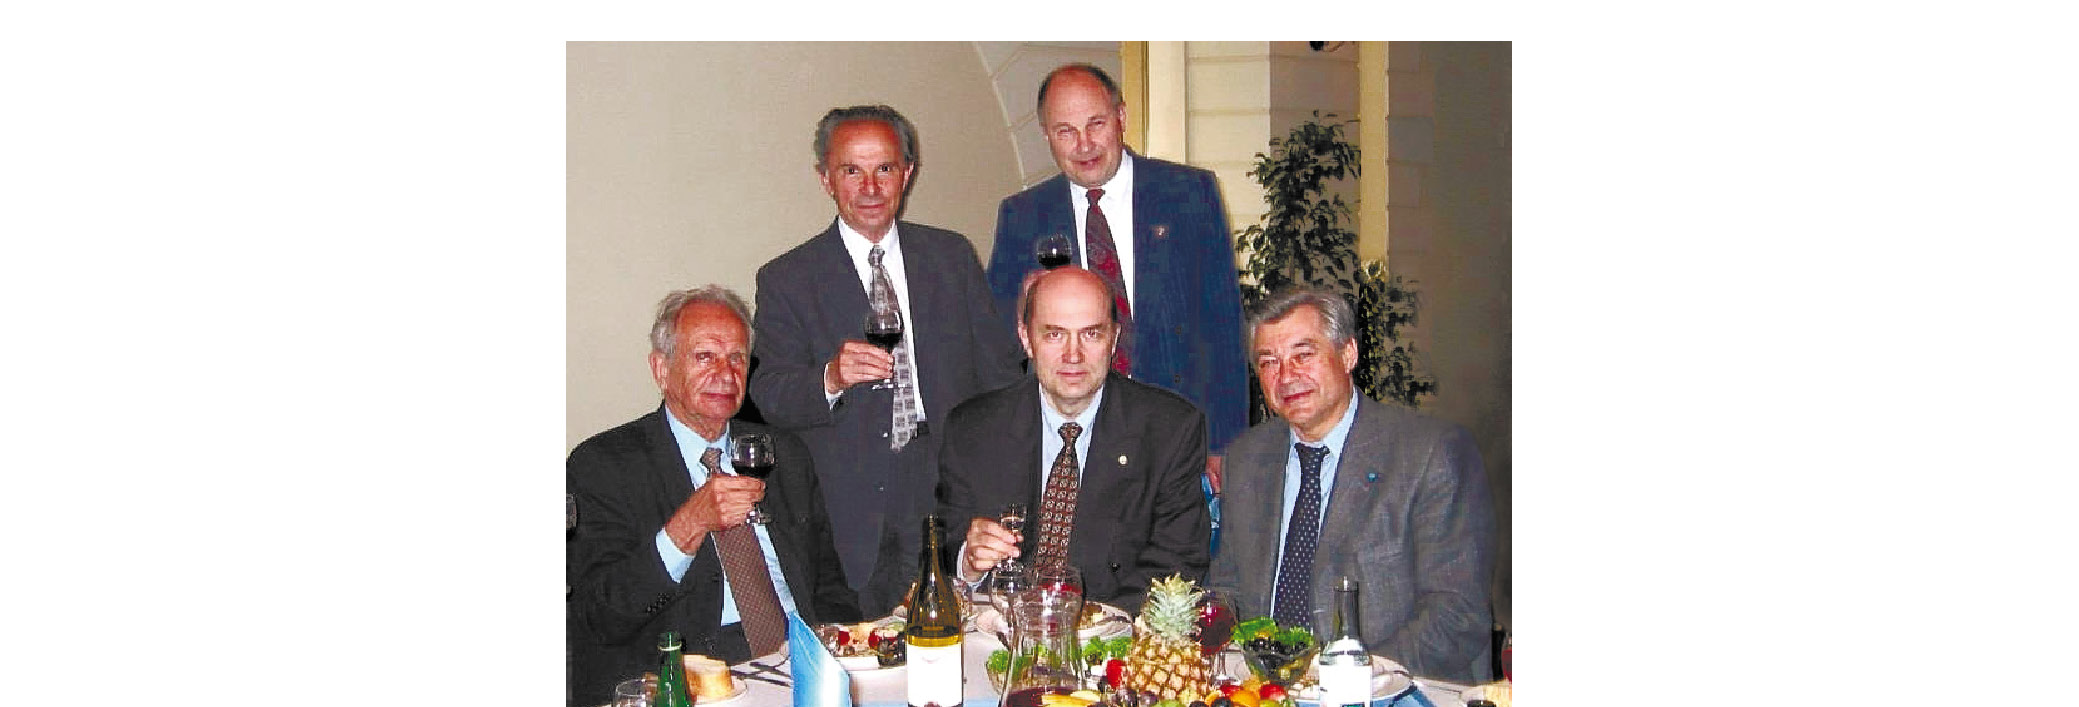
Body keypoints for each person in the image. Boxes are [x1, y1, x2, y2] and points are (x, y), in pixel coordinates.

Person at [750, 105, 1025, 616]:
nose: (870, 187)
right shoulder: (788, 278)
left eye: (884, 168)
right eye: (851, 171)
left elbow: (999, 376)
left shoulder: (951, 257)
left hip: (950, 483)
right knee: (872, 642)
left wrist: (1001, 479)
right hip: (851, 504)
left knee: (960, 631)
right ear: (825, 179)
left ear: (907, 173)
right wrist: (830, 378)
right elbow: (771, 395)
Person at [567, 286, 861, 706]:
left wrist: (842, 659)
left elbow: (829, 587)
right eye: (705, 356)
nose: (725, 373)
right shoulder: (604, 465)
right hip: (688, 676)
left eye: (737, 358)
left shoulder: (781, 454)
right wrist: (688, 526)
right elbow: (603, 615)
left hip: (800, 660)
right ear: (661, 369)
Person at [1205, 288, 1496, 684]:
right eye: (1269, 362)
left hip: (1391, 687)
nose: (1286, 376)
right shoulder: (1246, 458)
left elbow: (1457, 612)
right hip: (1264, 690)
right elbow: (1228, 589)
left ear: (1348, 354)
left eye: (1303, 355)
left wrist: (1343, 677)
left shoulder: (1429, 454)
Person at [986, 62, 1250, 473]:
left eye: (1096, 124)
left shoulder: (1187, 194)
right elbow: (997, 342)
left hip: (1176, 434)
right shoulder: (1023, 215)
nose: (1084, 144)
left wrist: (1225, 441)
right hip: (1072, 443)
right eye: (1065, 131)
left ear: (1121, 117)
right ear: (1046, 135)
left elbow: (1223, 325)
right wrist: (1024, 303)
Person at [939, 267, 1211, 612]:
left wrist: (1077, 625)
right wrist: (969, 560)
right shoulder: (972, 428)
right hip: (996, 626)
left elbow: (1176, 566)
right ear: (1026, 338)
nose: (1073, 355)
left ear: (1114, 339)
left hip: (1113, 630)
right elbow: (943, 542)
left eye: (1091, 334)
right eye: (1054, 335)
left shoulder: (1169, 431)